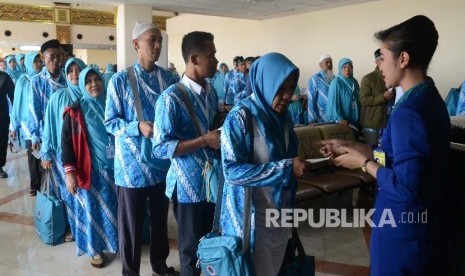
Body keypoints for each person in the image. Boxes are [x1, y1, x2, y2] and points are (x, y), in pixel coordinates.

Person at [318, 15, 451, 276]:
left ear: (403, 59)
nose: (378, 65)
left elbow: (408, 187)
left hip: (404, 228)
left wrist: (364, 164)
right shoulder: (428, 97)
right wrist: (352, 145)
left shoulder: (410, 112)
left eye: (382, 57)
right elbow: (393, 157)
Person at [219, 52, 310, 276]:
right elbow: (231, 171)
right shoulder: (240, 118)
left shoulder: (284, 118)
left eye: (291, 88)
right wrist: (285, 168)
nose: (288, 96)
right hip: (252, 223)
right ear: (264, 83)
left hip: (280, 216)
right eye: (280, 89)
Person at [104, 22, 178, 276]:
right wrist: (138, 127)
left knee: (160, 221)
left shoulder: (169, 79)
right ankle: (130, 271)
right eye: (151, 40)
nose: (157, 46)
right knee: (132, 226)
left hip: (160, 165)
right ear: (136, 44)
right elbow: (110, 122)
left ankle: (159, 264)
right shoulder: (120, 80)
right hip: (131, 168)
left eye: (160, 41)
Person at [153, 31, 220, 276]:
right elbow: (160, 147)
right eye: (210, 55)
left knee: (212, 241)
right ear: (194, 58)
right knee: (190, 251)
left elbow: (212, 127)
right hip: (188, 186)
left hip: (212, 183)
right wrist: (204, 140)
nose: (215, 60)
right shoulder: (171, 98)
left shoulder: (211, 93)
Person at [62, 67, 118, 268]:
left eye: (97, 79)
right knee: (93, 214)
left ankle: (115, 243)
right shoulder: (75, 111)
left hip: (115, 170)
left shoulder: (111, 105)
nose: (94, 84)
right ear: (83, 86)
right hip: (90, 172)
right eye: (89, 81)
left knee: (114, 210)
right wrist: (70, 174)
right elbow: (66, 143)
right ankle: (96, 251)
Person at [41, 57, 86, 242]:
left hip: (87, 155)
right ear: (66, 75)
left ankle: (88, 232)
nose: (75, 74)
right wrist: (46, 152)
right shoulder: (58, 97)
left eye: (78, 70)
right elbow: (49, 125)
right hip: (64, 155)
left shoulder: (90, 94)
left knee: (87, 195)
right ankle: (75, 230)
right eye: (70, 71)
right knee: (70, 193)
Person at [28, 39, 67, 179]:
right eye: (52, 56)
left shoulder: (67, 79)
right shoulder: (37, 81)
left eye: (59, 56)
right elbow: (34, 110)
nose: (56, 60)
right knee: (53, 177)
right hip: (48, 134)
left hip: (67, 132)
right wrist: (35, 137)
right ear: (43, 58)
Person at [9, 51, 43, 192]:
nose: (38, 64)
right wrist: (14, 126)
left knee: (45, 154)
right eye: (35, 61)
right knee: (33, 155)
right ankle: (35, 186)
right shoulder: (23, 80)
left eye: (40, 61)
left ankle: (46, 184)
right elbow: (17, 104)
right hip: (28, 125)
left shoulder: (44, 78)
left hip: (43, 124)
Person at [359, 49, 394, 145]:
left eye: (385, 59)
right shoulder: (368, 79)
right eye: (381, 59)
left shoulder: (392, 76)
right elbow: (363, 99)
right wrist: (383, 96)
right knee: (372, 152)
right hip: (373, 124)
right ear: (376, 62)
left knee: (385, 154)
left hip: (388, 123)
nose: (384, 62)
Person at [326, 58, 361, 128]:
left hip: (355, 120)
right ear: (340, 69)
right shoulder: (336, 83)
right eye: (344, 67)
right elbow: (333, 103)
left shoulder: (354, 82)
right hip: (342, 122)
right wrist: (340, 119)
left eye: (349, 67)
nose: (347, 70)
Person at [307, 54, 334, 123]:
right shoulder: (315, 79)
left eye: (330, 62)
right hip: (320, 119)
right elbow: (311, 99)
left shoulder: (335, 79)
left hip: (334, 118)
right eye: (326, 62)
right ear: (320, 65)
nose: (329, 64)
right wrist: (311, 120)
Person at [0, 68, 15, 178]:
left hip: (2, 116)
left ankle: (0, 167)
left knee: (1, 142)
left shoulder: (5, 77)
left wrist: (15, 117)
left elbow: (13, 96)